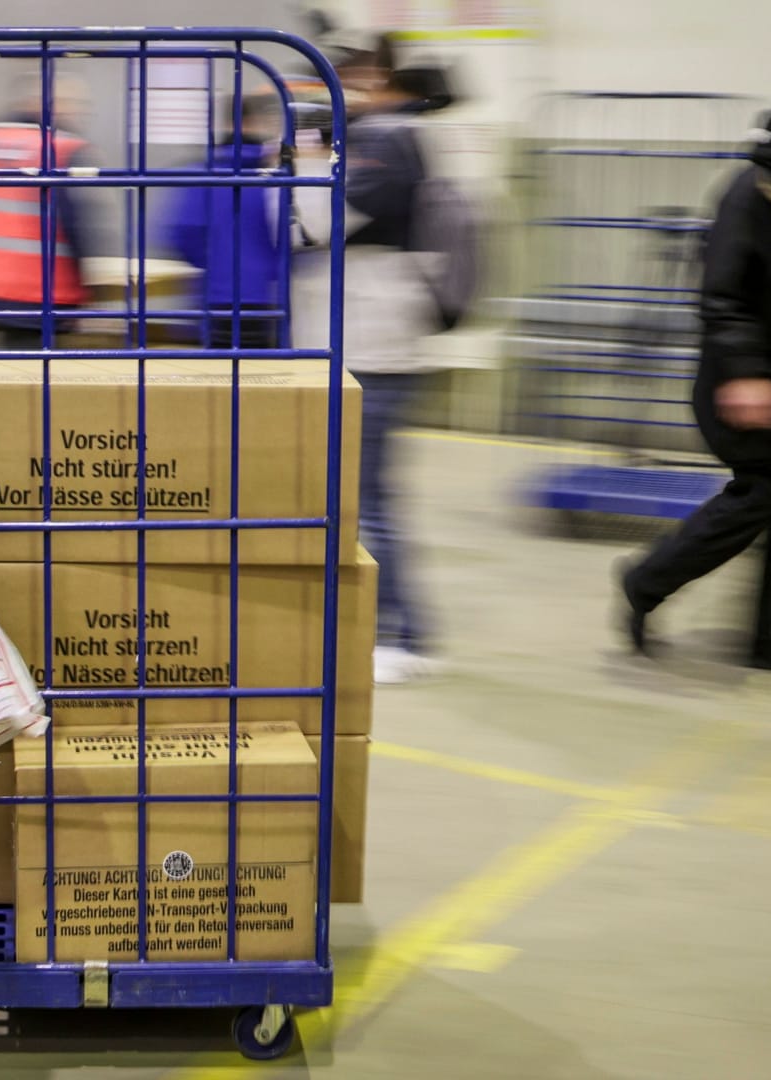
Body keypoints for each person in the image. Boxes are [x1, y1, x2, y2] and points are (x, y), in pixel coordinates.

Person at [619, 63, 771, 677]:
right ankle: (645, 581)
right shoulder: (752, 189)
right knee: (758, 496)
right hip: (751, 376)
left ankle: (764, 639)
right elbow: (721, 294)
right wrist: (747, 372)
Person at [331, 33, 447, 684]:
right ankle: (404, 628)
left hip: (377, 346)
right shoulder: (391, 138)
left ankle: (405, 633)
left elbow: (325, 221)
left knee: (373, 497)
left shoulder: (386, 143)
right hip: (376, 341)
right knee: (371, 493)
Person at [0, 73, 104, 349]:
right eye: (71, 103)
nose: (78, 111)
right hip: (39, 291)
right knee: (38, 382)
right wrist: (86, 287)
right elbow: (75, 224)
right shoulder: (59, 147)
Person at [162, 91, 285, 351]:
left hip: (217, 297)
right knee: (269, 380)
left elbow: (183, 234)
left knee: (220, 381)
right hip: (271, 298)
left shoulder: (203, 174)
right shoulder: (280, 176)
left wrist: (216, 263)